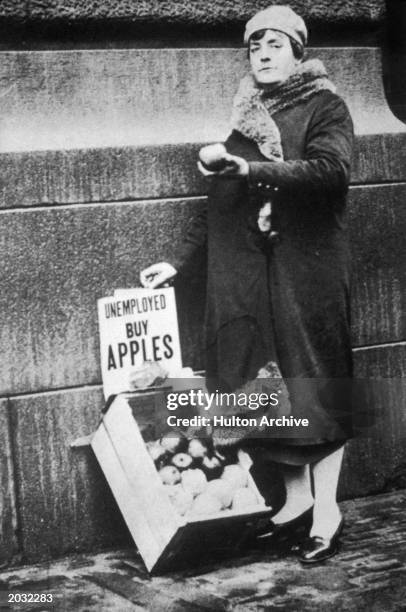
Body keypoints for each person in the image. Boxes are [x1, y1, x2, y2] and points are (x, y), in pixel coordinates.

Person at [140, 5, 354, 564]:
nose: (261, 53)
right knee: (265, 396)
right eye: (254, 45)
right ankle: (295, 505)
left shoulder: (325, 106)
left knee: (314, 387)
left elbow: (332, 171)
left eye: (275, 44)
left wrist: (251, 169)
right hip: (256, 283)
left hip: (307, 278)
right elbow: (218, 207)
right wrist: (178, 264)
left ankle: (328, 513)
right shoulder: (247, 120)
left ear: (298, 53)